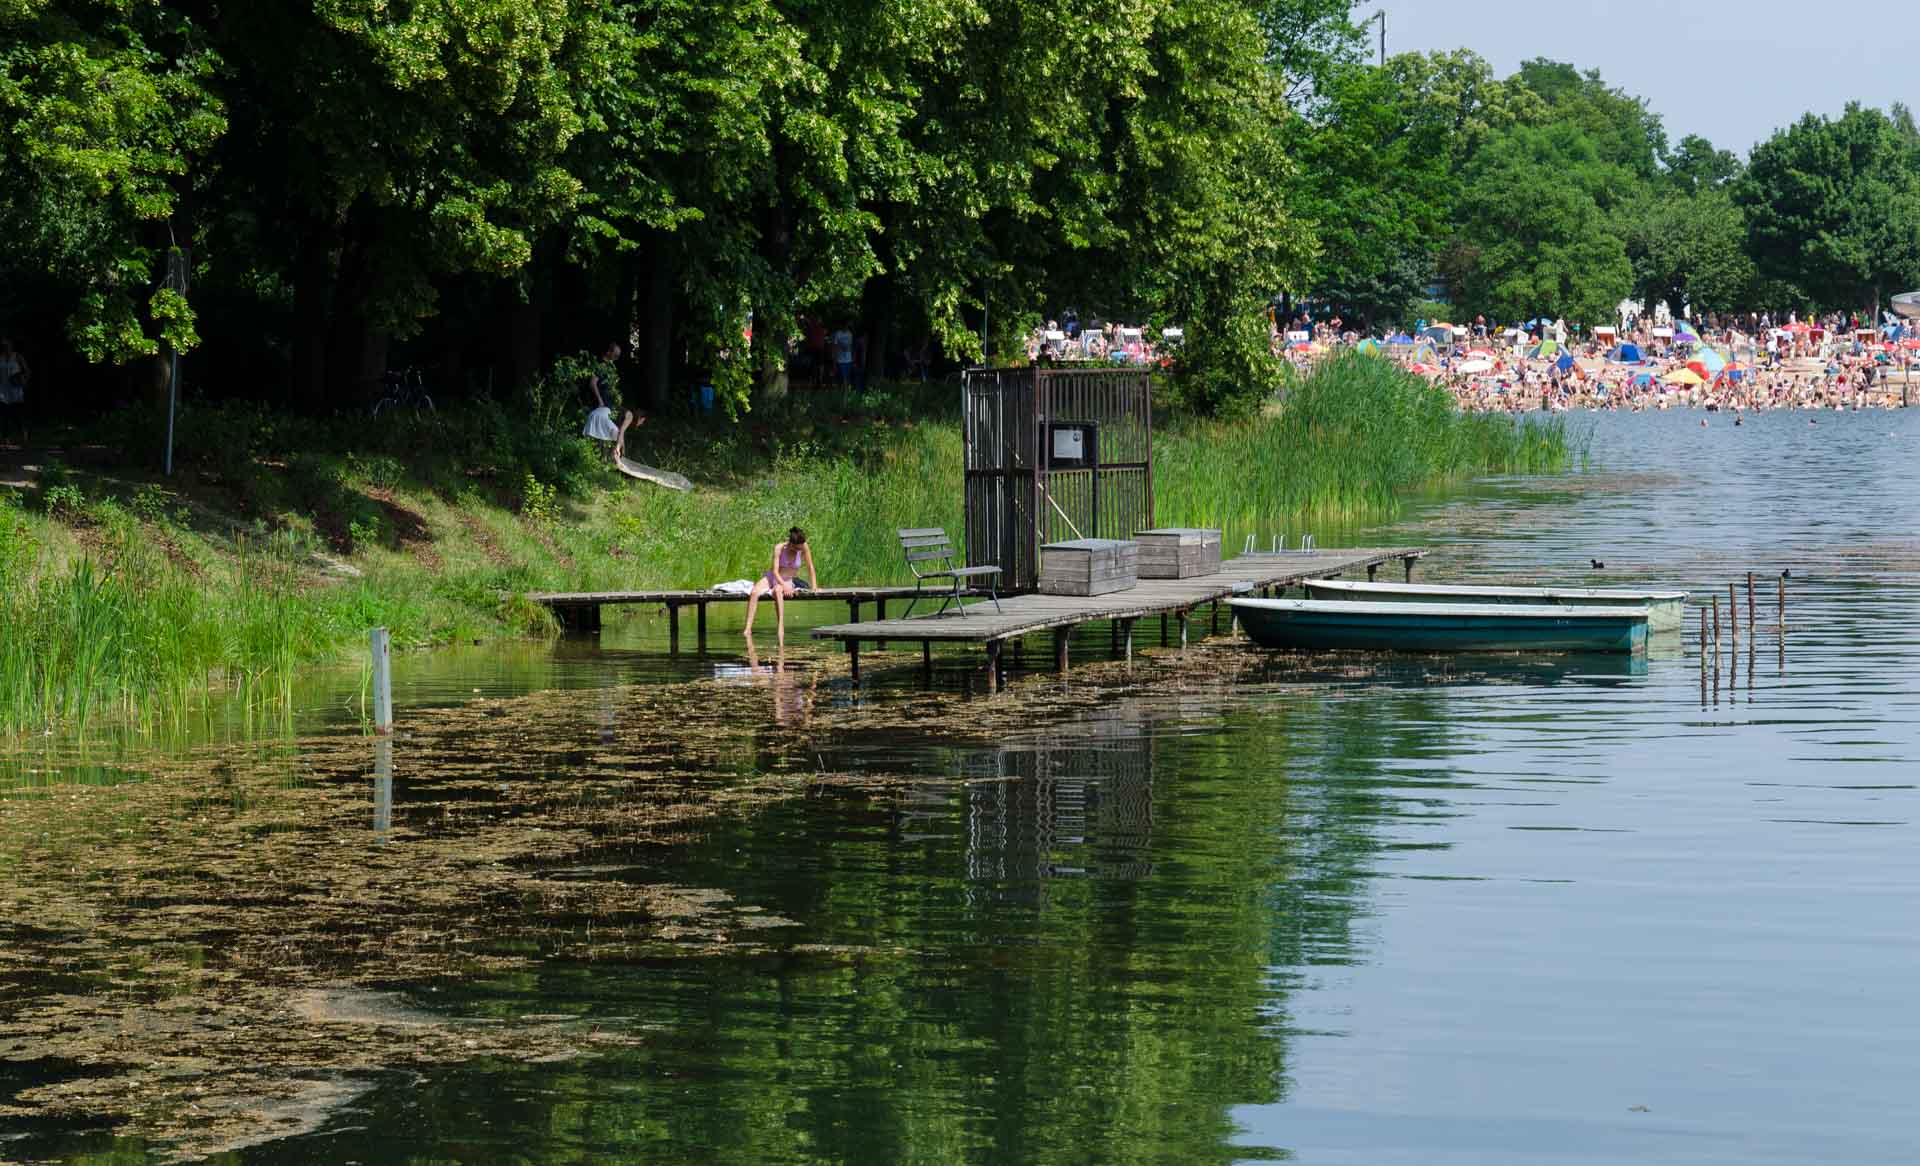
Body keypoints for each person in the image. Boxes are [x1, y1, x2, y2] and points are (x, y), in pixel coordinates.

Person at [745, 527, 818, 645]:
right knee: (754, 592)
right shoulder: (779, 548)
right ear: (791, 544)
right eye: (797, 548)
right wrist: (785, 586)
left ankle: (780, 627)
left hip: (788, 579)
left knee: (778, 590)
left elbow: (810, 567)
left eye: (800, 548)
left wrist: (814, 586)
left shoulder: (804, 546)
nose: (799, 550)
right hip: (774, 576)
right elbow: (775, 571)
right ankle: (747, 629)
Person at [580, 341, 643, 461]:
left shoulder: (610, 367)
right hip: (604, 405)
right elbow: (593, 383)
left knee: (622, 427)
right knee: (628, 416)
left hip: (611, 405)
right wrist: (600, 401)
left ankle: (619, 456)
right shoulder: (601, 365)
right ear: (609, 352)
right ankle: (614, 456)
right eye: (615, 355)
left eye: (618, 356)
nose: (616, 358)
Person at [0, 337, 28, 446]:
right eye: (3, 346)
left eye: (7, 345)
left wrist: (23, 381)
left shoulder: (17, 357)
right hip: (3, 390)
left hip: (15, 390)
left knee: (16, 415)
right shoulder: (0, 358)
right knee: (4, 414)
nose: (5, 347)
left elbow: (27, 371)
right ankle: (5, 438)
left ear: (11, 345)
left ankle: (23, 432)